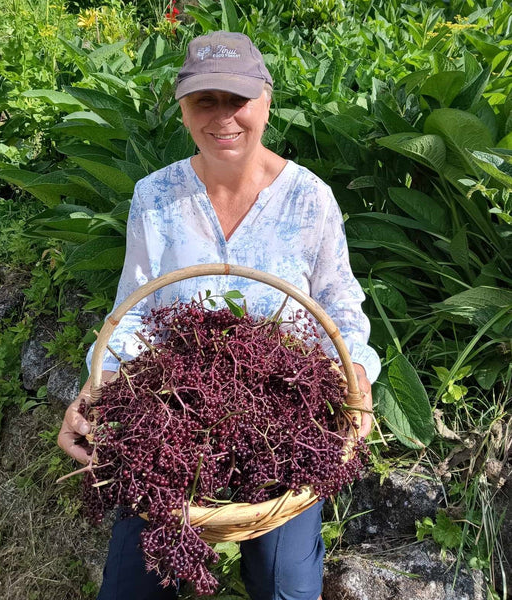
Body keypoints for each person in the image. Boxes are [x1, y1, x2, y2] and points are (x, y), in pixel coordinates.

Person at [58, 30, 381, 600]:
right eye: (206, 100)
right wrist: (98, 383)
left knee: (288, 587)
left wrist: (354, 371)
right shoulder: (156, 197)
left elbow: (340, 306)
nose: (224, 117)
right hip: (171, 406)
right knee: (131, 587)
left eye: (239, 99)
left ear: (267, 99)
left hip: (283, 412)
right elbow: (132, 311)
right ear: (181, 108)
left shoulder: (310, 200)